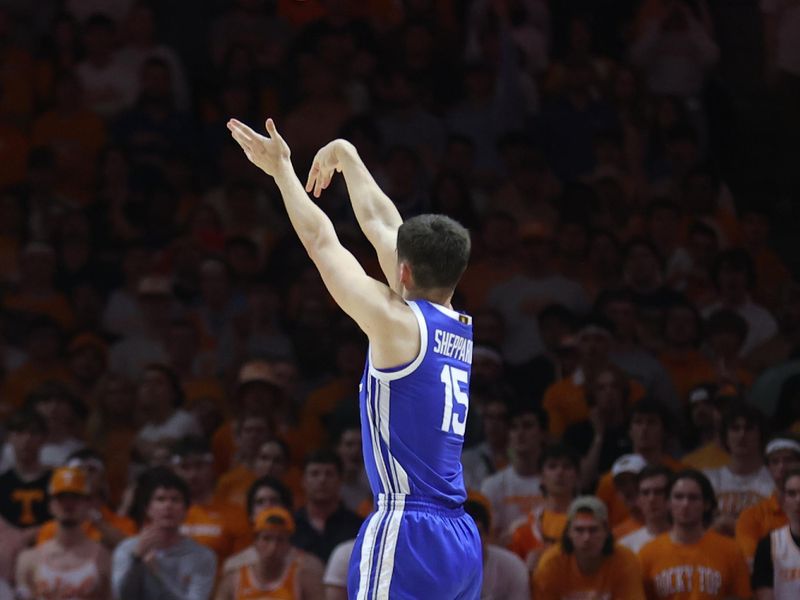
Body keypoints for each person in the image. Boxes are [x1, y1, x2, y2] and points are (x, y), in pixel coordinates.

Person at [227, 118, 482, 597]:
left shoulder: (395, 324)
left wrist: (282, 170)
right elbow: (384, 225)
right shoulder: (458, 324)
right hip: (460, 536)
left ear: (402, 271)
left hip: (408, 528)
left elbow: (324, 244)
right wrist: (345, 153)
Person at [638, 469, 751, 599]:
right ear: (668, 503)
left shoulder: (731, 551)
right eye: (678, 497)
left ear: (707, 504)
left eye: (693, 498)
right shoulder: (647, 554)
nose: (685, 504)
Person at [111, 466, 217, 600]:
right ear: (148, 509)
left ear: (186, 510)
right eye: (160, 499)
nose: (168, 506)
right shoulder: (127, 549)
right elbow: (120, 596)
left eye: (175, 500)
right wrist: (136, 560)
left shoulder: (202, 556)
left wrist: (158, 573)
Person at [15, 466, 111, 599]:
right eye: (62, 497)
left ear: (87, 503)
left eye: (75, 497)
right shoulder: (29, 560)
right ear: (51, 505)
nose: (68, 504)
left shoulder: (104, 559)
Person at [532, 496, 645, 599]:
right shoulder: (551, 563)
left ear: (606, 531)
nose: (586, 538)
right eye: (579, 530)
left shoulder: (625, 560)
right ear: (569, 533)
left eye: (593, 530)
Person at [215, 507, 324, 600]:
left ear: (289, 545)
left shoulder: (303, 580)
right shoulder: (234, 581)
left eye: (280, 539)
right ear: (255, 542)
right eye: (266, 538)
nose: (273, 547)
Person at [480, 404, 546, 539]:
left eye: (527, 426)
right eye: (514, 427)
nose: (520, 433)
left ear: (543, 433)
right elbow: (488, 539)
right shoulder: (492, 485)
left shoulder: (557, 482)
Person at [736, 436, 800, 566]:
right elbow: (752, 561)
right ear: (768, 468)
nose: (782, 467)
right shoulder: (752, 516)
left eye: (789, 460)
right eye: (775, 462)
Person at [291, 450, 362, 563]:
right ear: (303, 480)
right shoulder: (290, 525)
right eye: (315, 474)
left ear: (340, 480)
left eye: (329, 474)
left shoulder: (357, 526)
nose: (322, 480)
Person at [751, 467, 800, 599]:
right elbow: (765, 595)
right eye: (792, 493)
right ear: (782, 500)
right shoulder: (768, 545)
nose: (798, 500)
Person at [619, 465, 671, 554]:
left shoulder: (693, 537)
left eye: (659, 492)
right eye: (645, 493)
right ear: (638, 499)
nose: (651, 499)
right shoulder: (626, 547)